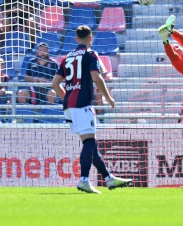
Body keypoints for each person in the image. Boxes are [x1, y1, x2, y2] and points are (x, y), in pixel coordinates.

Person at [51, 25, 132, 193]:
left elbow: (54, 84)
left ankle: (109, 178)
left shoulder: (66, 57)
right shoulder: (91, 54)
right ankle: (84, 180)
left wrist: (67, 97)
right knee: (89, 142)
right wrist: (108, 97)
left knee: (91, 145)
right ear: (90, 38)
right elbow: (97, 77)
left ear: (75, 39)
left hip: (70, 105)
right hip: (83, 104)